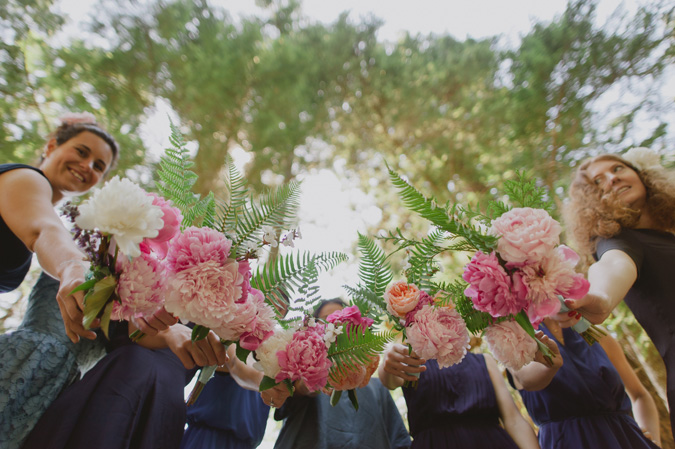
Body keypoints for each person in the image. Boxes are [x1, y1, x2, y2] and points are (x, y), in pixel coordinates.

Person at [0, 113, 118, 449]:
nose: (88, 166)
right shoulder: (25, 178)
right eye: (81, 152)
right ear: (52, 145)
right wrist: (71, 268)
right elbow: (44, 230)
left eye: (99, 166)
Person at [560, 149, 675, 434]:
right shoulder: (616, 242)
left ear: (641, 174)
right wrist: (600, 298)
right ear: (593, 202)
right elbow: (612, 265)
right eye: (597, 182)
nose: (611, 179)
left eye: (617, 169)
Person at [272, 299, 411, 449]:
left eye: (341, 321)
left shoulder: (377, 388)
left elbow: (399, 440)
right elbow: (294, 393)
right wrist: (313, 376)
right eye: (326, 321)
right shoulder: (298, 374)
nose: (333, 327)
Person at [508, 318, 661, 448]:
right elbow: (528, 380)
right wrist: (551, 365)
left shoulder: (595, 333)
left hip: (626, 440)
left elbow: (640, 395)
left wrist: (651, 440)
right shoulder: (512, 344)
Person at [379, 338, 540, 449]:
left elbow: (513, 420)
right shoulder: (410, 363)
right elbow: (388, 380)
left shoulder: (484, 361)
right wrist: (390, 358)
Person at [179, 345, 271, 449]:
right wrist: (269, 383)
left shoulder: (271, 353)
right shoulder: (229, 338)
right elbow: (236, 365)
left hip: (246, 443)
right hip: (208, 439)